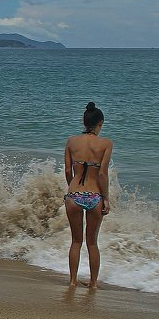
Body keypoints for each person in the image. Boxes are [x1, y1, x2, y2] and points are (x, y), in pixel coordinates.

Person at [64, 101, 114, 288]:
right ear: (100, 123)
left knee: (76, 241)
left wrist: (72, 189)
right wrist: (106, 199)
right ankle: (93, 283)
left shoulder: (71, 141)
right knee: (92, 243)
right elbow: (102, 173)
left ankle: (72, 281)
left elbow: (68, 172)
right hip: (95, 197)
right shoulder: (106, 144)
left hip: (74, 195)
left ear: (84, 122)